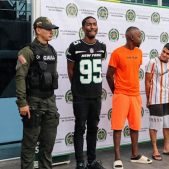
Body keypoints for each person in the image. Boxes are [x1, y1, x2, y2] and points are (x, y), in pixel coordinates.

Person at [15, 16, 60, 169]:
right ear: (38, 30)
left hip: (50, 102)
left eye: (52, 29)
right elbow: (20, 77)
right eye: (48, 29)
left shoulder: (52, 50)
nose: (51, 32)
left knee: (48, 145)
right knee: (29, 145)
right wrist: (22, 103)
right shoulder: (27, 51)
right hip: (33, 102)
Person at [106, 26, 152, 169]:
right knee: (118, 126)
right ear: (131, 37)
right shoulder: (117, 53)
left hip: (135, 95)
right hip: (121, 95)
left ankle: (135, 155)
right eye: (139, 36)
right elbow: (109, 75)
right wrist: (117, 91)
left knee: (135, 126)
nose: (141, 38)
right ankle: (117, 158)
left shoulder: (139, 52)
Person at [66, 16, 106, 169]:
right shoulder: (75, 46)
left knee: (93, 128)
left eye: (94, 24)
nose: (92, 27)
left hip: (96, 95)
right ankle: (80, 162)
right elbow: (70, 71)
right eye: (89, 24)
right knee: (80, 128)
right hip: (81, 96)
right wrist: (77, 88)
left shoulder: (101, 46)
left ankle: (91, 160)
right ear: (83, 28)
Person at [145, 43, 169, 161]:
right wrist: (148, 99)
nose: (164, 54)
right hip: (155, 98)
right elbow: (147, 82)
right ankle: (155, 149)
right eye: (163, 51)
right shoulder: (152, 62)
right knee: (155, 125)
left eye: (168, 53)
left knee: (167, 124)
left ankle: (166, 147)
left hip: (168, 99)